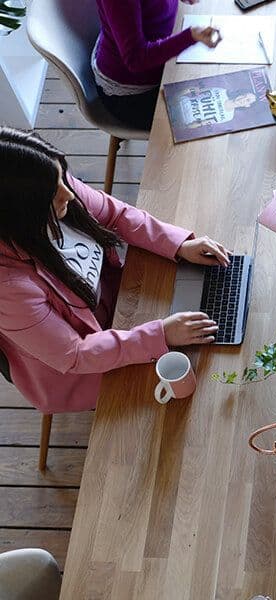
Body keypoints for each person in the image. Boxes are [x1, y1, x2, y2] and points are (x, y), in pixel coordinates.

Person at [0, 127, 231, 414]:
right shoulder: (9, 288)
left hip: (121, 305)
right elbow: (75, 354)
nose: (69, 194)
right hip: (80, 371)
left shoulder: (49, 181)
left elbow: (116, 215)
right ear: (20, 212)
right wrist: (160, 335)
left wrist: (179, 244)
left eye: (63, 178)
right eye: (55, 192)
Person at [92, 0, 222, 130]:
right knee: (207, 126)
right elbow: (136, 59)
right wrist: (190, 37)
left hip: (162, 62)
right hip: (132, 93)